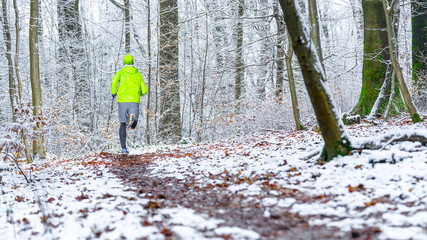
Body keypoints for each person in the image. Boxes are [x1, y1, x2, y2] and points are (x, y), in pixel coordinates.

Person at [111, 54, 148, 154]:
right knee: (134, 119)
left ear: (124, 63)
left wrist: (114, 92)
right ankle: (133, 120)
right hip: (134, 100)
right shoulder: (138, 74)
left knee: (122, 123)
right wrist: (138, 92)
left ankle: (123, 148)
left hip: (122, 101)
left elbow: (114, 81)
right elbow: (144, 90)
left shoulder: (120, 73)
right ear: (132, 63)